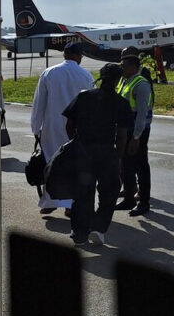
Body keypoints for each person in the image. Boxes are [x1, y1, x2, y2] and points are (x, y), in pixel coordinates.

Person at [62, 63, 131, 246]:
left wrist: (76, 144)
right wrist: (118, 158)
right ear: (118, 81)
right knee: (109, 192)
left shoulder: (84, 96)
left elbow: (69, 125)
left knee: (83, 192)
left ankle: (79, 233)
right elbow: (122, 136)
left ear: (100, 77)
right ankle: (98, 228)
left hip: (83, 151)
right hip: (107, 153)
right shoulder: (121, 103)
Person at [31, 42, 94, 214]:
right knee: (74, 166)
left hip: (51, 127)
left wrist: (36, 129)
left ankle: (50, 202)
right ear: (79, 56)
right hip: (76, 129)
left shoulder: (49, 73)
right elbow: (90, 105)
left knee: (50, 165)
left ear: (65, 54)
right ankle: (71, 204)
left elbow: (39, 104)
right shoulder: (86, 75)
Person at [115, 48, 154, 217]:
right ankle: (129, 199)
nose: (121, 69)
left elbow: (142, 114)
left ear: (133, 66)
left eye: (123, 66)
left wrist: (136, 138)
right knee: (125, 166)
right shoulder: (124, 81)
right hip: (125, 131)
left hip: (138, 132)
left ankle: (144, 202)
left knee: (140, 166)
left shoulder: (141, 84)